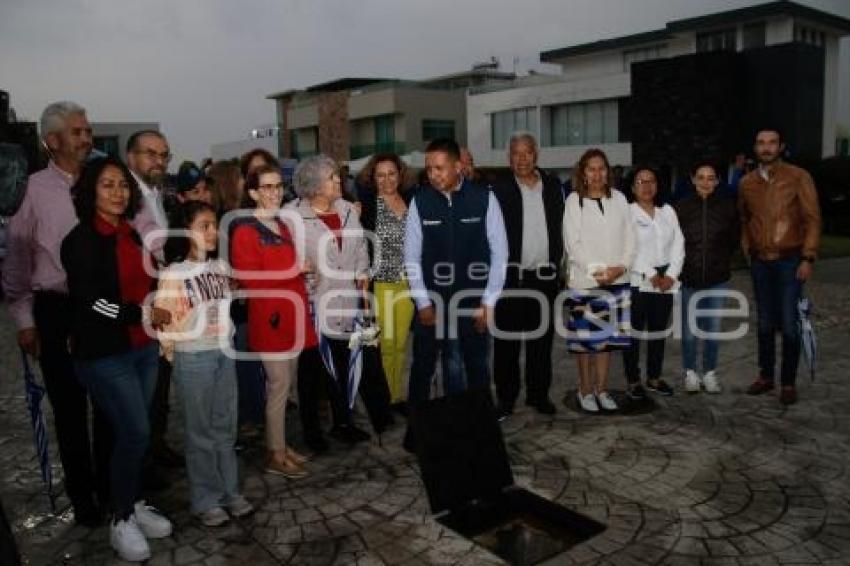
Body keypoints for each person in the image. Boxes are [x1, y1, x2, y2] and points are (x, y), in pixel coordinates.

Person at [2, 101, 110, 527]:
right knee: (69, 408)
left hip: (102, 307)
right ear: (52, 142)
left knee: (108, 402)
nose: (86, 138)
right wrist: (26, 322)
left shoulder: (104, 183)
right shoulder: (30, 191)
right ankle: (82, 496)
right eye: (77, 132)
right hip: (57, 308)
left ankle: (111, 486)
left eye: (88, 130)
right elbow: (16, 263)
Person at [60, 156, 173, 562]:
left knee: (134, 436)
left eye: (123, 185)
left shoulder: (131, 233)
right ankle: (120, 516)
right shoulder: (79, 240)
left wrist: (159, 299)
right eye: (107, 185)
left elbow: (150, 279)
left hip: (143, 347)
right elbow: (91, 303)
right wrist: (139, 312)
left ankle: (134, 501)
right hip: (104, 355)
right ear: (89, 191)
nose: (118, 192)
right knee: (136, 433)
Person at [403, 138, 508, 447]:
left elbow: (500, 254)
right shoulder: (420, 202)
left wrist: (488, 303)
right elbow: (411, 257)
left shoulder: (484, 199)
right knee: (423, 369)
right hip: (432, 305)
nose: (433, 174)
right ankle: (417, 433)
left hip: (472, 304)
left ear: (458, 166)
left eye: (439, 168)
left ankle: (480, 433)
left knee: (476, 369)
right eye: (429, 169)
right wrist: (422, 302)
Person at [156, 201, 253, 527]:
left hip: (223, 353)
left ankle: (230, 491)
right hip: (193, 356)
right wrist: (176, 355)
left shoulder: (220, 268)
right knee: (199, 432)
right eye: (204, 226)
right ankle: (205, 499)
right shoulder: (174, 274)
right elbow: (164, 322)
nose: (213, 232)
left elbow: (225, 310)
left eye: (214, 225)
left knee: (225, 427)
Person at [288, 155, 385, 446]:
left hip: (349, 304)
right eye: (332, 178)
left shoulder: (347, 210)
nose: (339, 181)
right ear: (315, 186)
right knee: (312, 374)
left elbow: (359, 252)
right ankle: (312, 432)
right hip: (314, 307)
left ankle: (344, 422)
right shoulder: (291, 216)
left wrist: (363, 275)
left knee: (347, 366)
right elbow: (288, 260)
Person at [230, 165, 317, 477]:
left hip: (291, 312)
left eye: (278, 186)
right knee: (279, 386)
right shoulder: (244, 230)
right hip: (270, 318)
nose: (275, 192)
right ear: (253, 192)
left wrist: (305, 273)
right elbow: (249, 280)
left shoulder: (281, 223)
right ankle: (275, 454)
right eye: (267, 187)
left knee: (286, 385)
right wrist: (296, 269)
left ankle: (279, 445)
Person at [739, 128, 821, 405]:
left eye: (772, 143)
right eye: (761, 143)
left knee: (789, 324)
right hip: (760, 263)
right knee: (764, 323)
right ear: (755, 148)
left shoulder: (798, 177)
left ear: (781, 147)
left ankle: (787, 382)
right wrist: (747, 249)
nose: (766, 148)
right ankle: (765, 376)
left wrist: (808, 257)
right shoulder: (747, 183)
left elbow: (813, 219)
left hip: (790, 262)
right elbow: (744, 219)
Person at [491, 132, 564, 418]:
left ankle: (538, 395)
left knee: (541, 343)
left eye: (527, 153)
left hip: (544, 278)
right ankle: (506, 399)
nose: (522, 158)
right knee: (506, 344)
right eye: (516, 154)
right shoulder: (498, 189)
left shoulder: (554, 186)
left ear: (537, 155)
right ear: (509, 159)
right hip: (511, 278)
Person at [125, 130, 184, 479]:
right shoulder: (127, 195)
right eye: (151, 154)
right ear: (131, 155)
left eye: (164, 155)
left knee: (160, 380)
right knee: (142, 387)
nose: (159, 161)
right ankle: (141, 462)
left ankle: (156, 447)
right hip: (136, 303)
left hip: (162, 297)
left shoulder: (157, 194)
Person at [563, 148, 635, 413]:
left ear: (608, 172)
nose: (596, 174)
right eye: (591, 169)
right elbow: (574, 243)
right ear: (582, 173)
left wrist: (621, 267)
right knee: (585, 343)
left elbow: (630, 237)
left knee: (607, 341)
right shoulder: (574, 201)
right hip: (586, 283)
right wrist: (598, 271)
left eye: (601, 168)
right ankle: (584, 391)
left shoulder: (619, 199)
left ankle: (602, 389)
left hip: (618, 279)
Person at [674, 161, 740, 394]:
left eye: (710, 177)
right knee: (690, 331)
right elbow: (673, 243)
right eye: (700, 177)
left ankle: (709, 372)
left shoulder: (728, 207)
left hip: (717, 279)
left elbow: (733, 240)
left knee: (712, 329)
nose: (705, 182)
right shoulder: (680, 208)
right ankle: (690, 372)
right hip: (688, 279)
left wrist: (720, 262)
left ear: (717, 181)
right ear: (692, 179)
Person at [356, 153, 415, 410]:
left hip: (408, 284)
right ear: (373, 178)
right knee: (384, 344)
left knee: (400, 344)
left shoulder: (413, 201)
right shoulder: (367, 206)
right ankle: (384, 398)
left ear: (400, 175)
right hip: (380, 283)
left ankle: (396, 395)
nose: (387, 180)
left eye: (391, 174)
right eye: (380, 175)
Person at [623, 167, 684, 399]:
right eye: (641, 181)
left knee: (658, 332)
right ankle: (633, 380)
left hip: (666, 282)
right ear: (632, 187)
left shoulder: (667, 212)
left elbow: (679, 244)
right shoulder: (627, 213)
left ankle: (654, 377)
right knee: (633, 334)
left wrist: (672, 275)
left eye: (651, 181)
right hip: (639, 282)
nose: (647, 186)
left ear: (658, 185)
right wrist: (652, 274)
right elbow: (629, 248)